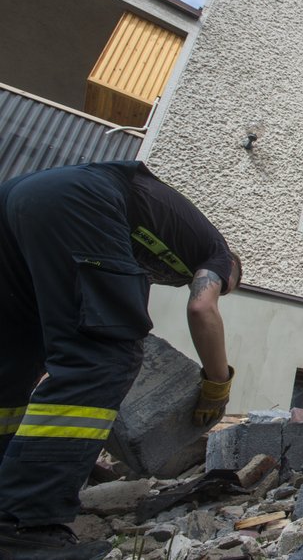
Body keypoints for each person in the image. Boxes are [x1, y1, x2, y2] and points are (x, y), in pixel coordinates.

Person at [0, 161, 241, 556]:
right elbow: (202, 308)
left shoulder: (143, 244)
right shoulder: (218, 254)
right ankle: (25, 524)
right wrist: (217, 384)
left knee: (17, 358)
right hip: (80, 200)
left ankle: (11, 483)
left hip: (17, 200)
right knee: (102, 354)